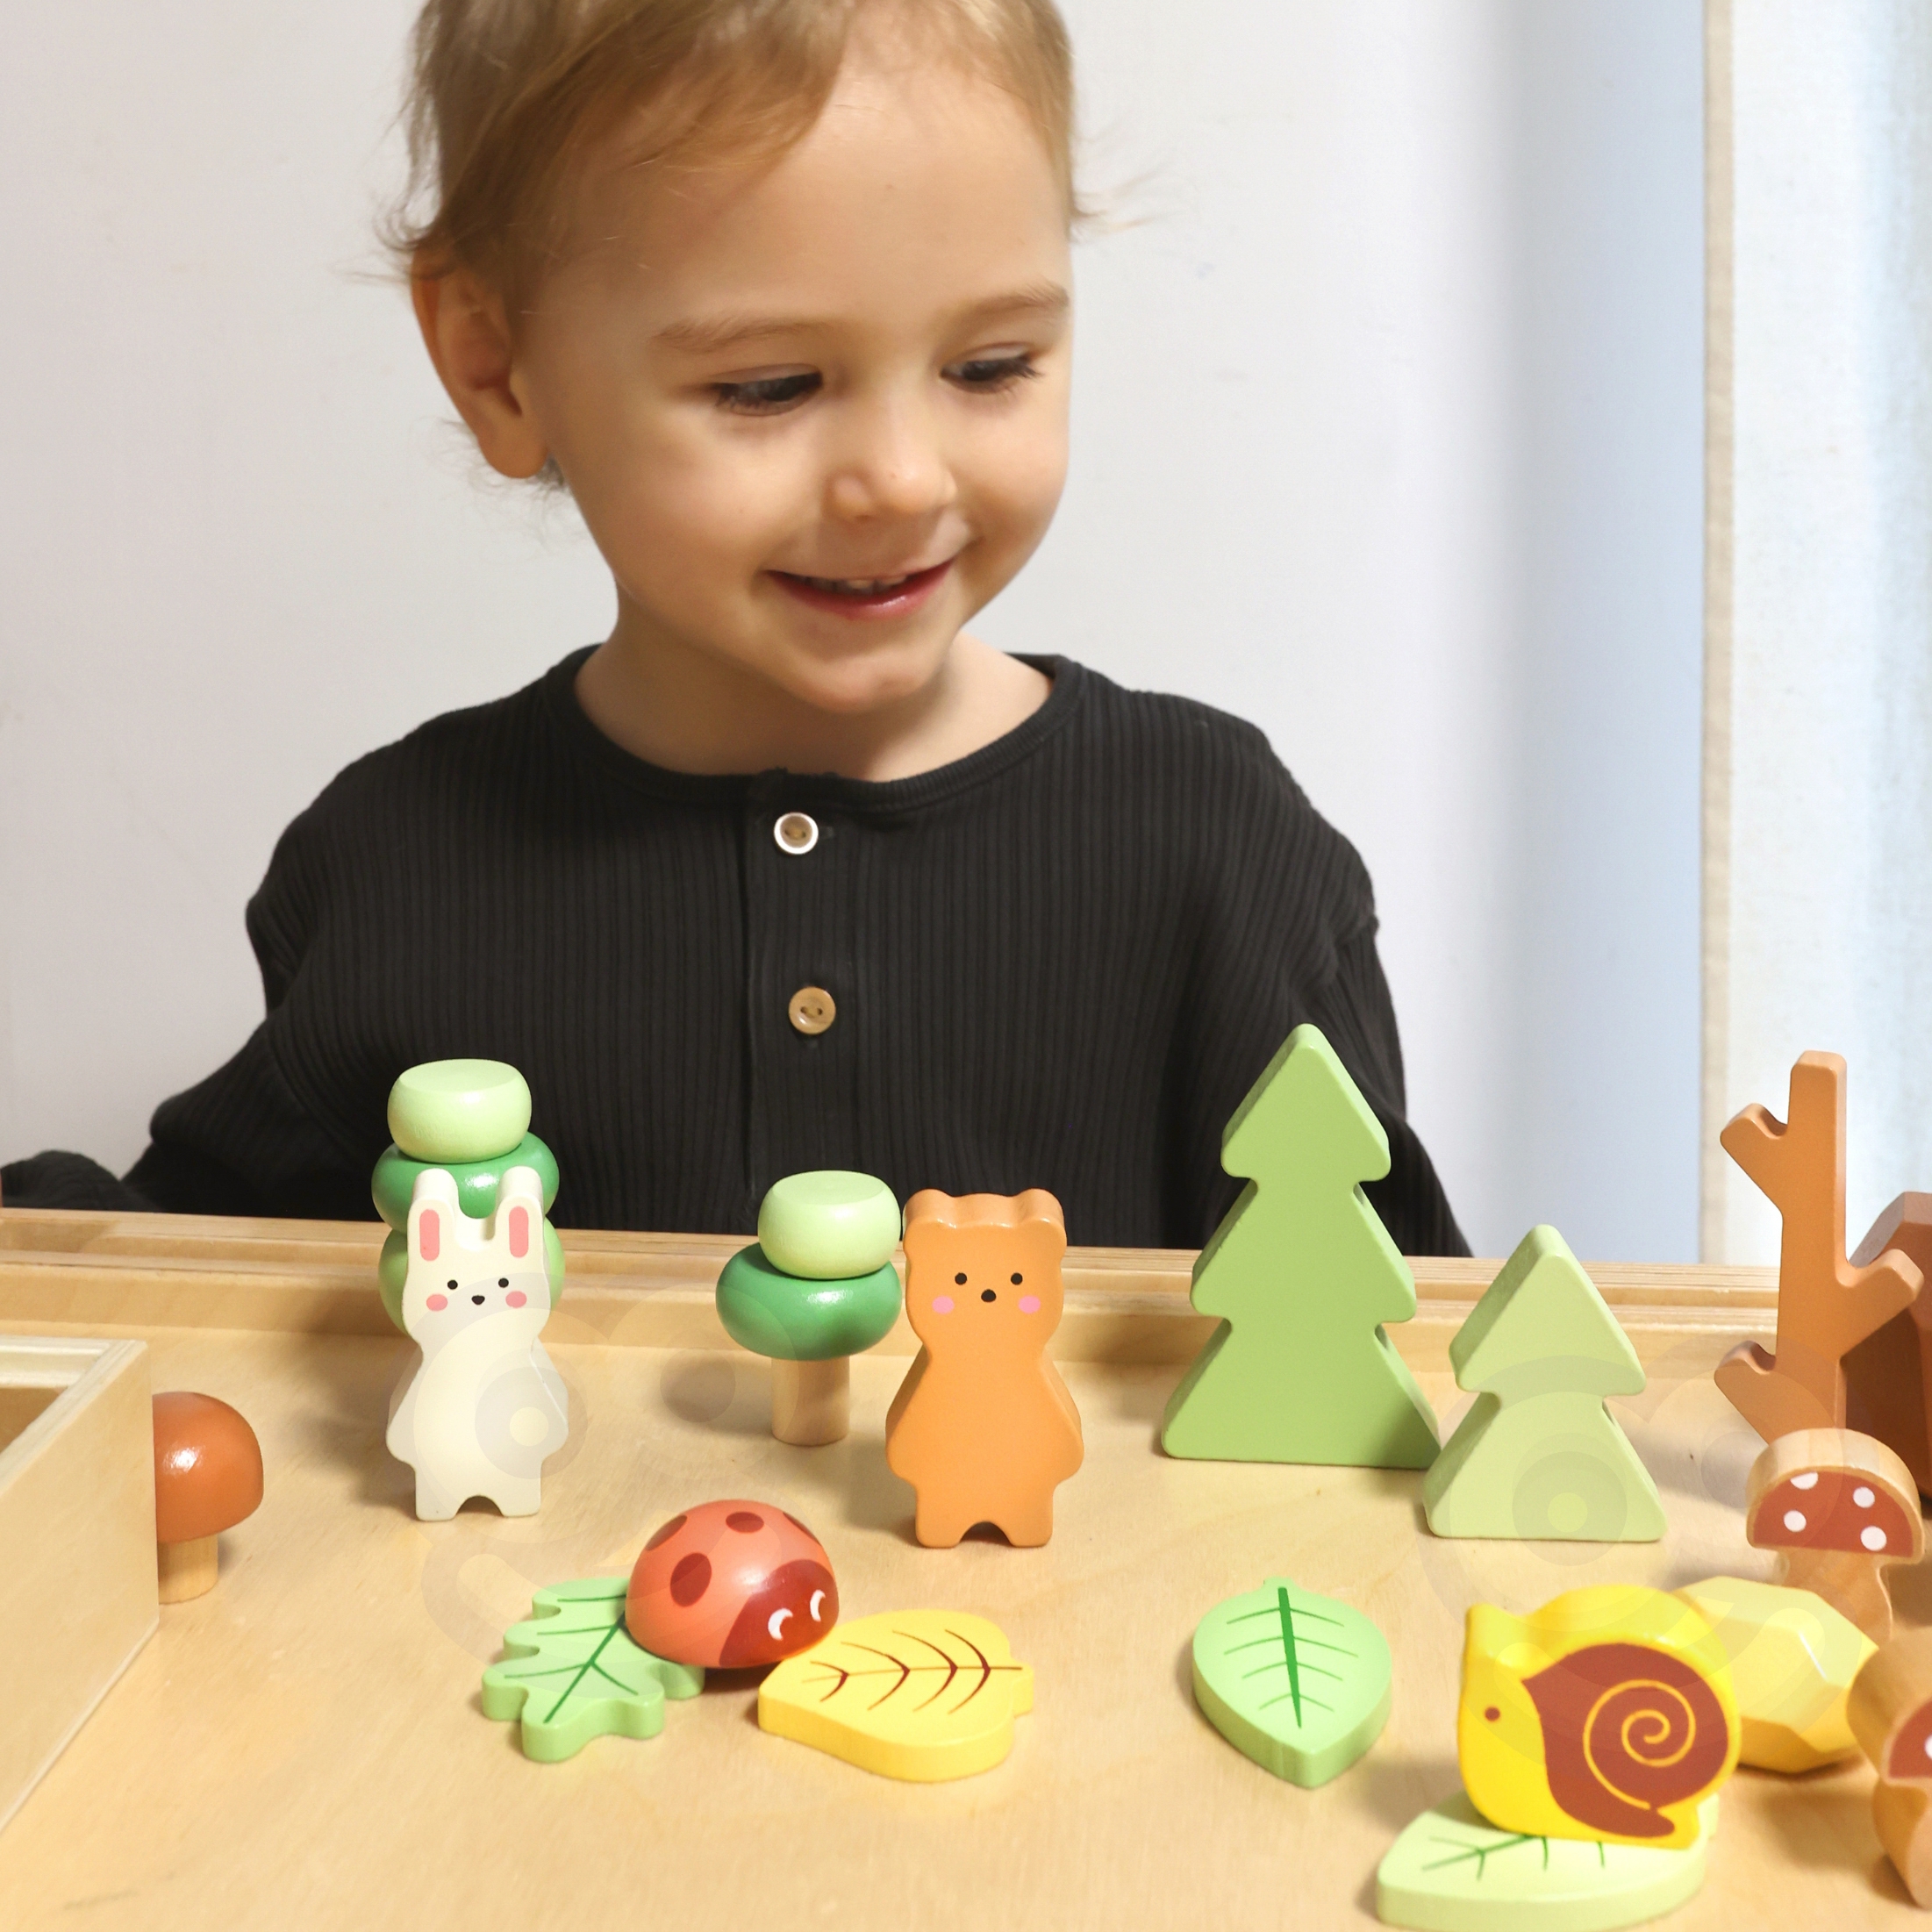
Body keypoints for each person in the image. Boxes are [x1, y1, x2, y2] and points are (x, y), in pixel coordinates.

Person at [3, 0, 1467, 1256]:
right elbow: (193, 1301)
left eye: (989, 364)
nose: (901, 481)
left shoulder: (1217, 847)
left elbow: (1380, 1360)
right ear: (497, 367)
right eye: (769, 386)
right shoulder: (398, 863)